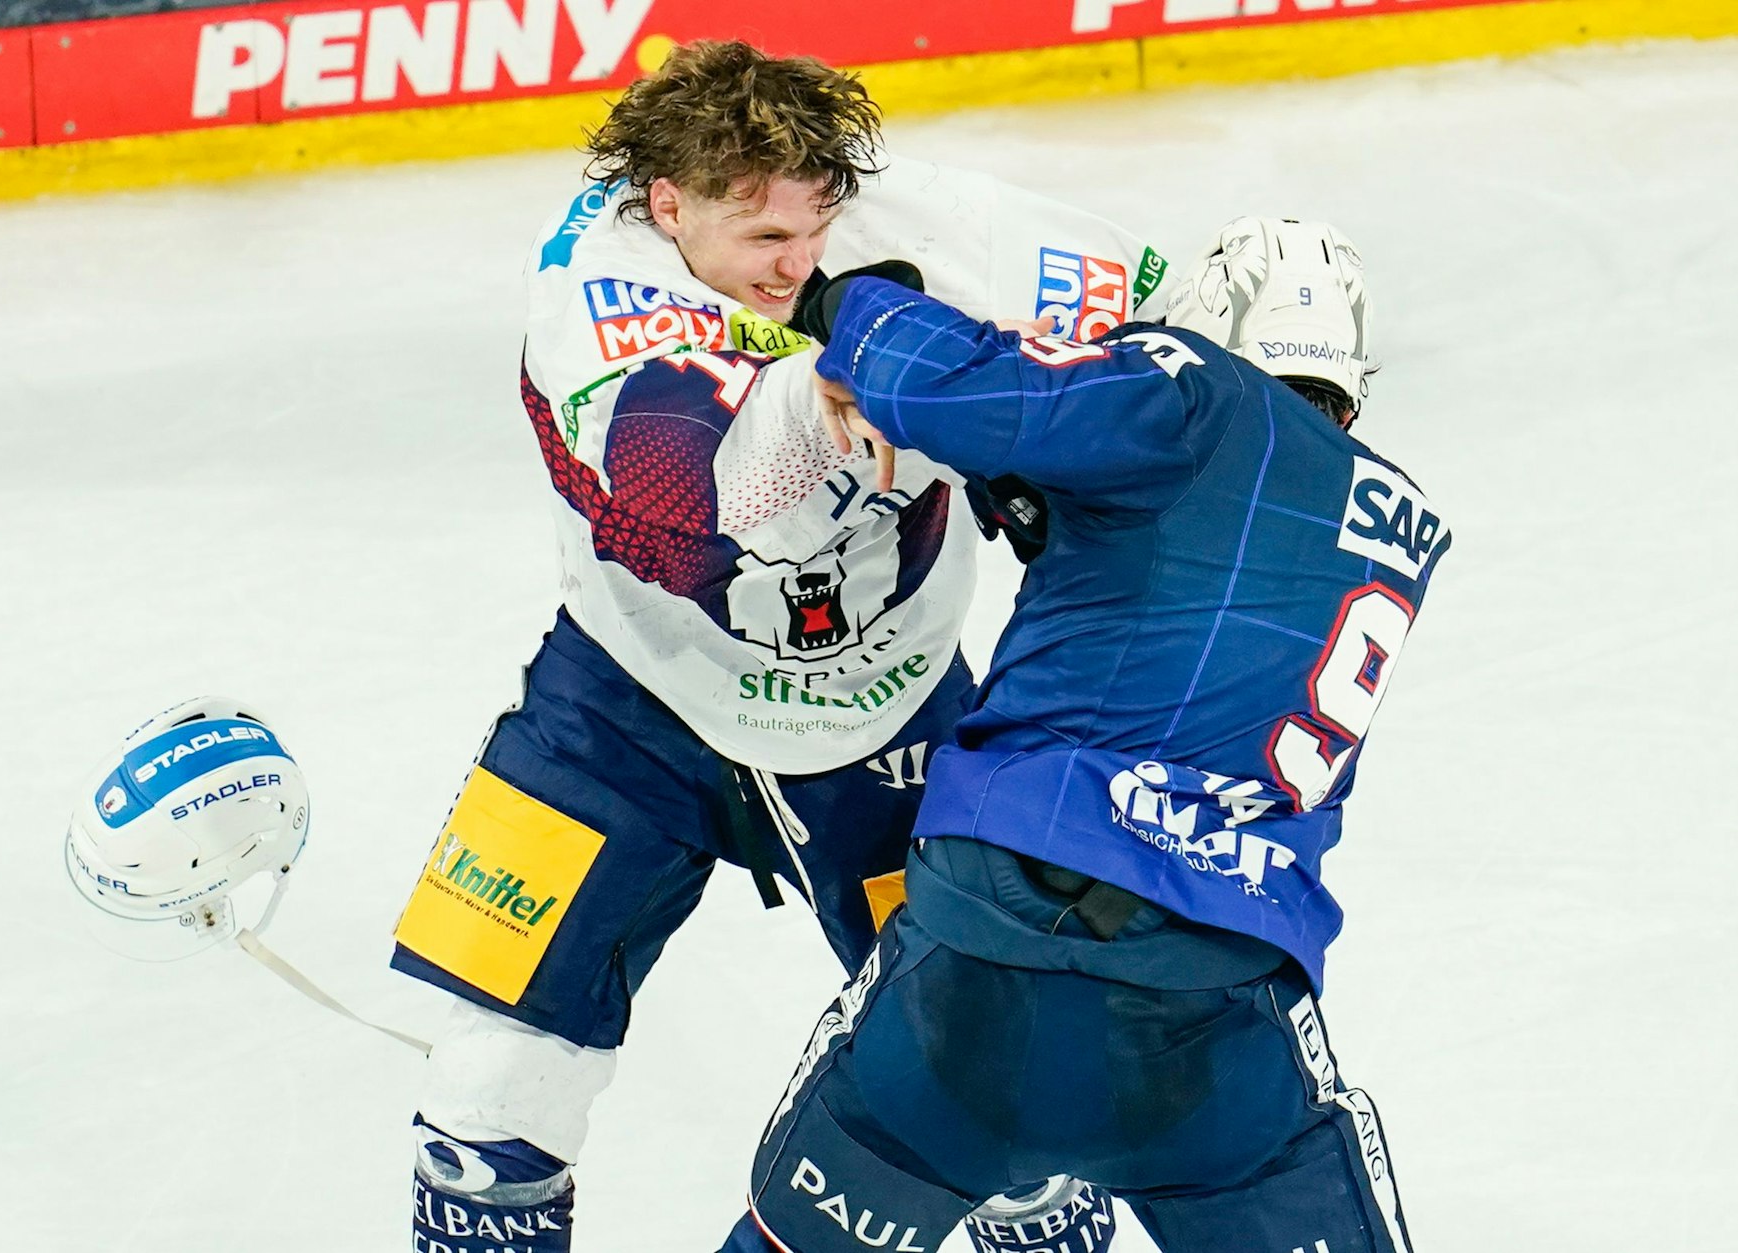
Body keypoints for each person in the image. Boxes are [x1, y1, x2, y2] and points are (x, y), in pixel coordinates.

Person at [388, 40, 1181, 1253]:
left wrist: (1262, 365)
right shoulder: (592, 290)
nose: (799, 262)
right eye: (763, 240)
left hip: (893, 714)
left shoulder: (926, 218)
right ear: (668, 206)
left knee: (1010, 1110)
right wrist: (929, 386)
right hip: (625, 710)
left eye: (816, 225)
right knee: (490, 1088)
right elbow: (714, 479)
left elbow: (1167, 311)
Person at [719, 218, 1450, 1253]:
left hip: (988, 929)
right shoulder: (1406, 521)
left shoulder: (1192, 390)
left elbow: (967, 385)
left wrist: (840, 306)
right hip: (1214, 1002)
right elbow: (1178, 577)